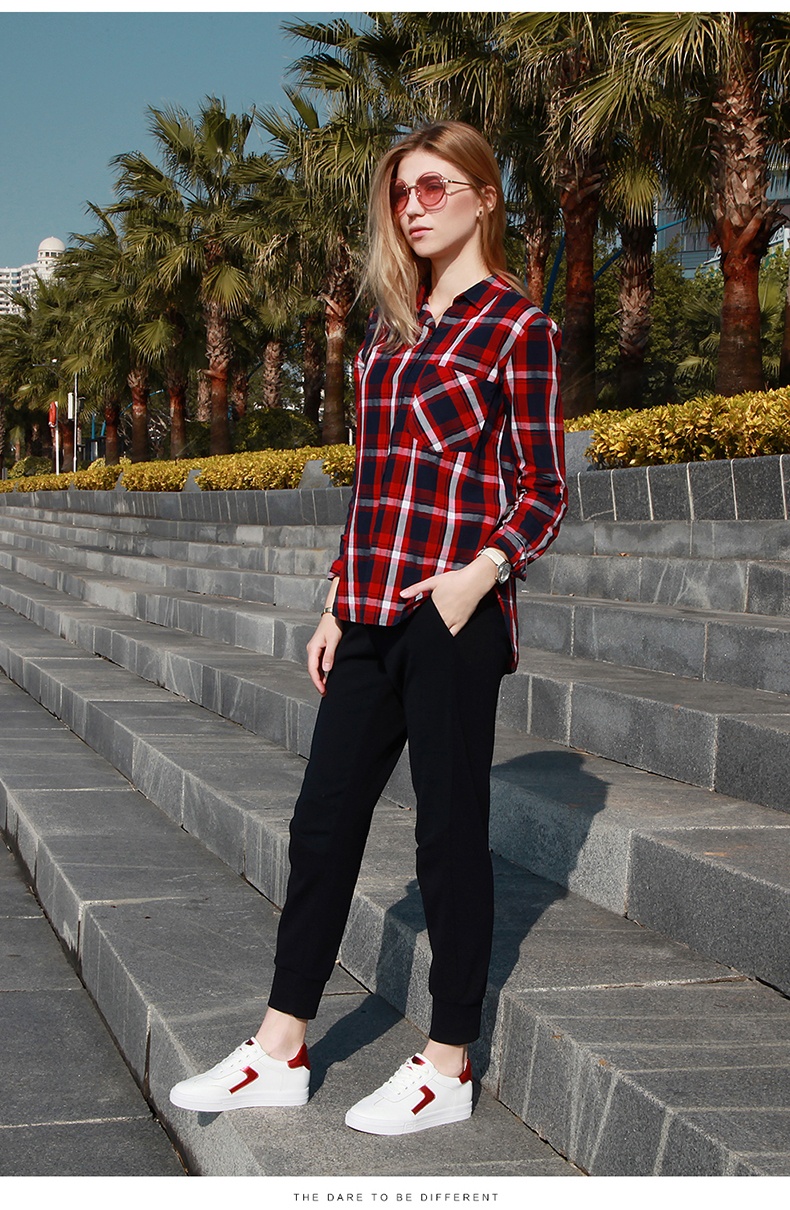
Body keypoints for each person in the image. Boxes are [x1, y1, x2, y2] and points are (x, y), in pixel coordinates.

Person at [169, 121, 566, 1136]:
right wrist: (335, 598)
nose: (413, 207)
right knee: (321, 822)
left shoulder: (517, 328)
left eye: (434, 187)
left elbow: (543, 489)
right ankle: (281, 1049)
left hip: (450, 618)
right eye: (401, 192)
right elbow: (374, 489)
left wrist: (480, 575)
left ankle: (448, 1063)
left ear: (483, 195)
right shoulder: (388, 336)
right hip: (367, 613)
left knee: (447, 837)